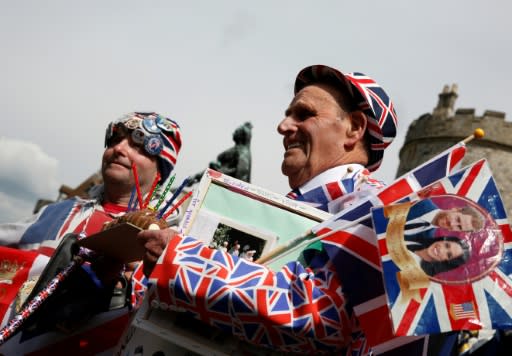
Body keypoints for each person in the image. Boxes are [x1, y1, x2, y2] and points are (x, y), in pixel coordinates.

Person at [138, 64, 403, 353]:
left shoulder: (375, 207)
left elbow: (321, 313)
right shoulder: (304, 206)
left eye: (304, 114)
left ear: (353, 128)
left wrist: (181, 259)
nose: (283, 126)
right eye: (288, 114)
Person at [0, 112, 182, 354]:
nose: (119, 149)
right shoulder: (59, 212)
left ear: (160, 169)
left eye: (138, 146)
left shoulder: (171, 239)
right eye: (115, 140)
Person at [404, 198, 484, 235]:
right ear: (455, 209)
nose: (452, 224)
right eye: (458, 219)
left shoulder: (426, 238)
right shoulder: (420, 200)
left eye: (459, 227)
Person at [405, 234, 471, 276]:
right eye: (446, 245)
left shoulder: (417, 275)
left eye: (448, 255)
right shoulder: (415, 241)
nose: (441, 250)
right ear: (443, 240)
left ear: (446, 262)